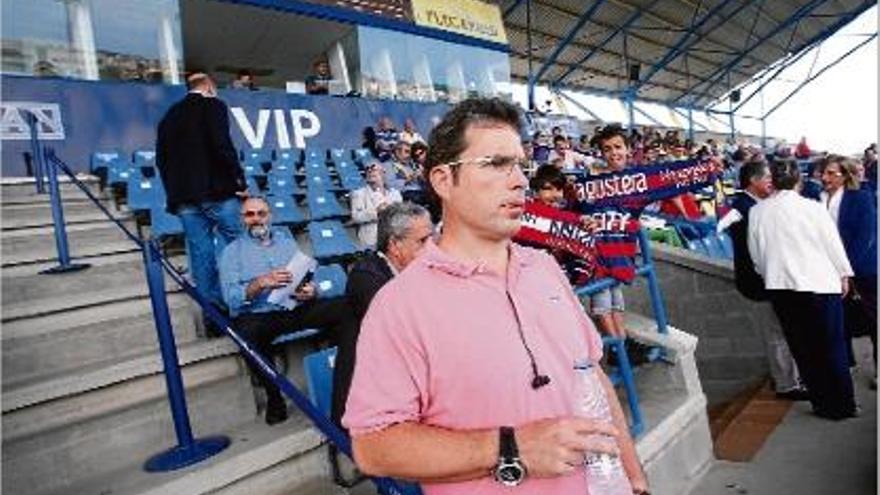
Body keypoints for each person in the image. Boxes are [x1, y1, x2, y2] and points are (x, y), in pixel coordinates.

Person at [344, 98, 649, 494]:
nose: (520, 180)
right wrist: (510, 447)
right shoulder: (399, 305)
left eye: (520, 165)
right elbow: (373, 447)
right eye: (495, 164)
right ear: (442, 181)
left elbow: (594, 381)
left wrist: (636, 480)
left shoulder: (545, 269)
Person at [219, 197, 356, 425]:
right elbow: (231, 299)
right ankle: (274, 397)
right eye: (250, 214)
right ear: (242, 219)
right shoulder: (232, 252)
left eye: (261, 213)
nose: (256, 219)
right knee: (245, 333)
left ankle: (343, 376)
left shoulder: (287, 243)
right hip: (260, 314)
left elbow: (303, 274)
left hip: (294, 307)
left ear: (270, 216)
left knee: (345, 306)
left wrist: (309, 291)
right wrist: (259, 282)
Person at [748, 159, 857, 420]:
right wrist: (843, 273)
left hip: (781, 287)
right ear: (799, 180)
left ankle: (822, 404)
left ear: (772, 180)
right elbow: (832, 244)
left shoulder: (758, 212)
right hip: (819, 284)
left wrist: (769, 274)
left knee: (803, 348)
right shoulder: (813, 208)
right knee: (832, 346)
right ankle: (843, 405)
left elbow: (757, 255)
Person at [156, 72, 245, 334]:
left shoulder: (169, 116)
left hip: (185, 199)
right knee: (240, 245)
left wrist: (177, 194)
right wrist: (238, 180)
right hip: (217, 192)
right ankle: (246, 304)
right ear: (208, 86)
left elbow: (162, 160)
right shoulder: (213, 105)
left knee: (201, 256)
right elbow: (222, 145)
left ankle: (214, 317)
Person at [334, 202, 434, 425]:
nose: (432, 248)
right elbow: (408, 331)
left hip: (407, 387)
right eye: (422, 241)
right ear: (395, 245)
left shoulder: (420, 270)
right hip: (370, 403)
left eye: (432, 239)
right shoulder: (365, 277)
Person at [717, 160, 807, 400]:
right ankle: (787, 384)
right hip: (759, 283)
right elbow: (748, 247)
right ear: (753, 181)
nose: (772, 182)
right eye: (768, 178)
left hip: (772, 280)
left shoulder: (761, 205)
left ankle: (790, 378)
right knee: (777, 334)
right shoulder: (741, 208)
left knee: (783, 331)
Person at [818, 155, 877, 383]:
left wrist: (847, 271)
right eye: (824, 172)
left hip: (862, 269)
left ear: (845, 175)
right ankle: (847, 363)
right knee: (838, 320)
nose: (825, 177)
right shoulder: (817, 198)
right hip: (828, 271)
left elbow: (866, 237)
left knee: (874, 321)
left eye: (831, 173)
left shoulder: (860, 198)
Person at [350, 162, 403, 248]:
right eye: (367, 170)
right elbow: (356, 217)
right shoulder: (358, 193)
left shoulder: (395, 193)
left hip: (392, 238)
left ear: (383, 173)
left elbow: (400, 214)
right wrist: (376, 212)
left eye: (373, 169)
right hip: (371, 240)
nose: (370, 171)